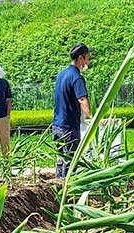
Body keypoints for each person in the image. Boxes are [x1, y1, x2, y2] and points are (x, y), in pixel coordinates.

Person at [51, 42, 93, 178]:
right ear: (81, 58)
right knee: (70, 161)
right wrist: (92, 117)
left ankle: (58, 186)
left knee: (60, 159)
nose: (88, 61)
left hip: (57, 125)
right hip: (69, 127)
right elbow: (82, 99)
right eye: (87, 57)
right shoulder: (77, 77)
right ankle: (67, 191)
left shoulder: (61, 74)